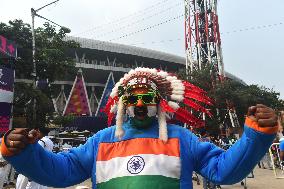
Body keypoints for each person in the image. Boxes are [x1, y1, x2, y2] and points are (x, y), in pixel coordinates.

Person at [0, 68, 279, 189]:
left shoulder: (181, 138)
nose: (141, 105)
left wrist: (255, 135)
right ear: (122, 104)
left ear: (159, 103)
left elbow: (223, 169)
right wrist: (23, 152)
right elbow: (61, 171)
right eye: (134, 99)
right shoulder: (102, 140)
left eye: (148, 99)